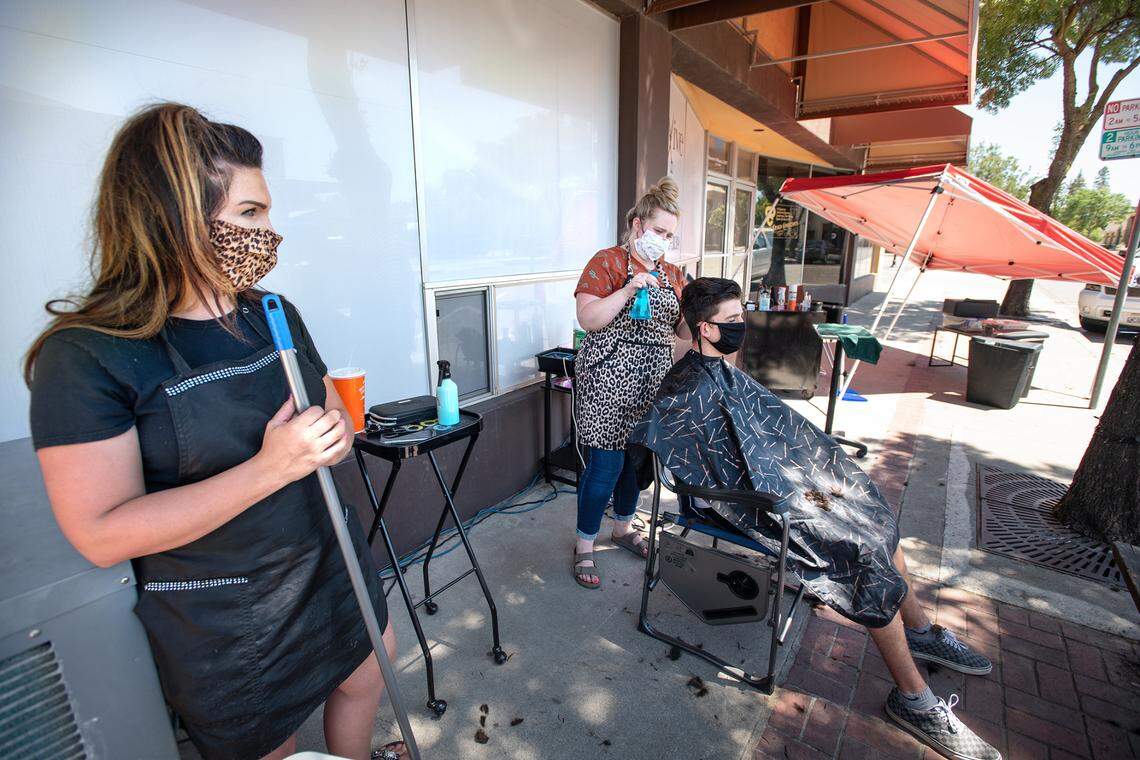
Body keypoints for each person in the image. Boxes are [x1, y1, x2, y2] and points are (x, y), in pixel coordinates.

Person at [25, 104, 405, 760]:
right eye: (250, 214)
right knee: (267, 743)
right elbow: (100, 532)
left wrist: (334, 430)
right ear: (171, 216)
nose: (270, 233)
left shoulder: (272, 312)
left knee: (367, 674)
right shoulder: (88, 355)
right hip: (224, 614)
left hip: (327, 556)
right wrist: (270, 468)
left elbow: (322, 413)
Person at [631, 277, 1001, 760]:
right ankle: (915, 700)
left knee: (873, 515)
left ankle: (922, 632)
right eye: (733, 322)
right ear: (705, 328)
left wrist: (816, 471)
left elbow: (767, 433)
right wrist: (787, 494)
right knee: (862, 553)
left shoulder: (720, 370)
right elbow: (703, 474)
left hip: (783, 487)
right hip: (750, 506)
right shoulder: (686, 390)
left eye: (742, 317)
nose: (743, 327)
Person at [570, 177, 691, 589]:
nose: (664, 241)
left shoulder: (674, 273)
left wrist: (710, 318)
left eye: (670, 235)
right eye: (659, 231)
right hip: (606, 378)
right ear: (638, 224)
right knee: (606, 464)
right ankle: (584, 543)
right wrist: (628, 289)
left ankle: (622, 528)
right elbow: (588, 319)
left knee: (637, 463)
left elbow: (686, 332)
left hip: (651, 385)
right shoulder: (606, 262)